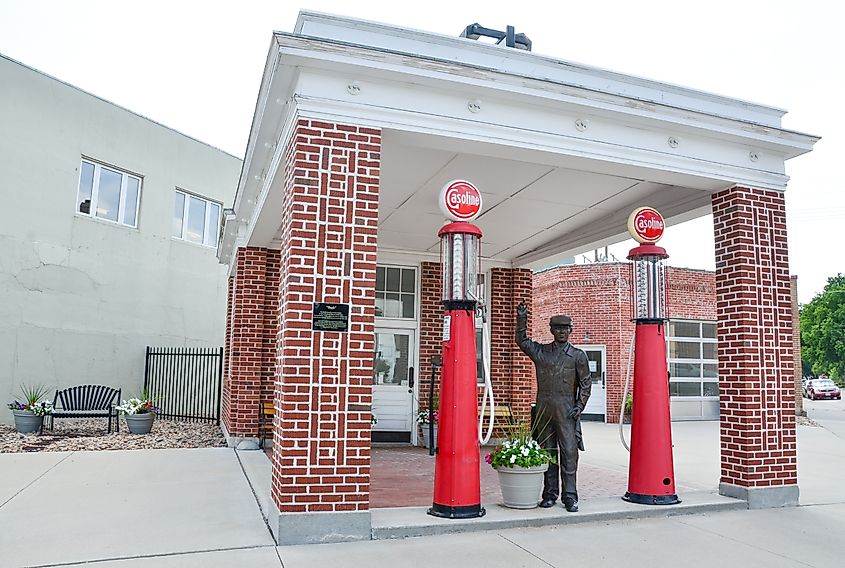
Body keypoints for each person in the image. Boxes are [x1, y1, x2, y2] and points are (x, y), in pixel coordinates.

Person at [515, 302, 591, 512]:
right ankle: (549, 494)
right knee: (548, 453)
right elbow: (521, 341)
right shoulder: (541, 352)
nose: (562, 332)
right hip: (544, 409)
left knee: (569, 453)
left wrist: (579, 406)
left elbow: (586, 383)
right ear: (551, 330)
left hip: (567, 409)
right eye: (558, 329)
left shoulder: (577, 355)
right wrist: (522, 319)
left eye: (565, 329)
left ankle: (570, 496)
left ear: (570, 330)